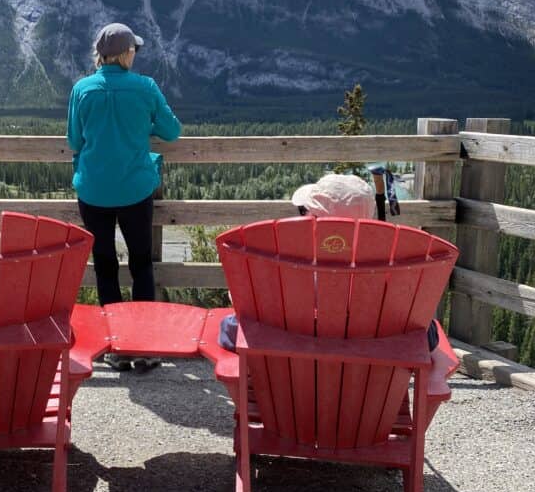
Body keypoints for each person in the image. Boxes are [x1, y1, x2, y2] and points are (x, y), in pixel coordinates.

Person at [67, 23, 182, 370]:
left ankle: (114, 346)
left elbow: (75, 141)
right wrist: (141, 127)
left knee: (104, 264)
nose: (136, 55)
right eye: (134, 50)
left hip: (94, 189)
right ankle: (144, 345)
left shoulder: (82, 90)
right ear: (125, 53)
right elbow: (172, 132)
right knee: (141, 262)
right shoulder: (145, 87)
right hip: (135, 188)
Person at [218, 173, 376, 351]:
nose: (302, 215)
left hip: (292, 348)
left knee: (230, 327)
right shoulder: (378, 264)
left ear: (315, 219)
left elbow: (244, 302)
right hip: (350, 349)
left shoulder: (289, 256)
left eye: (304, 211)